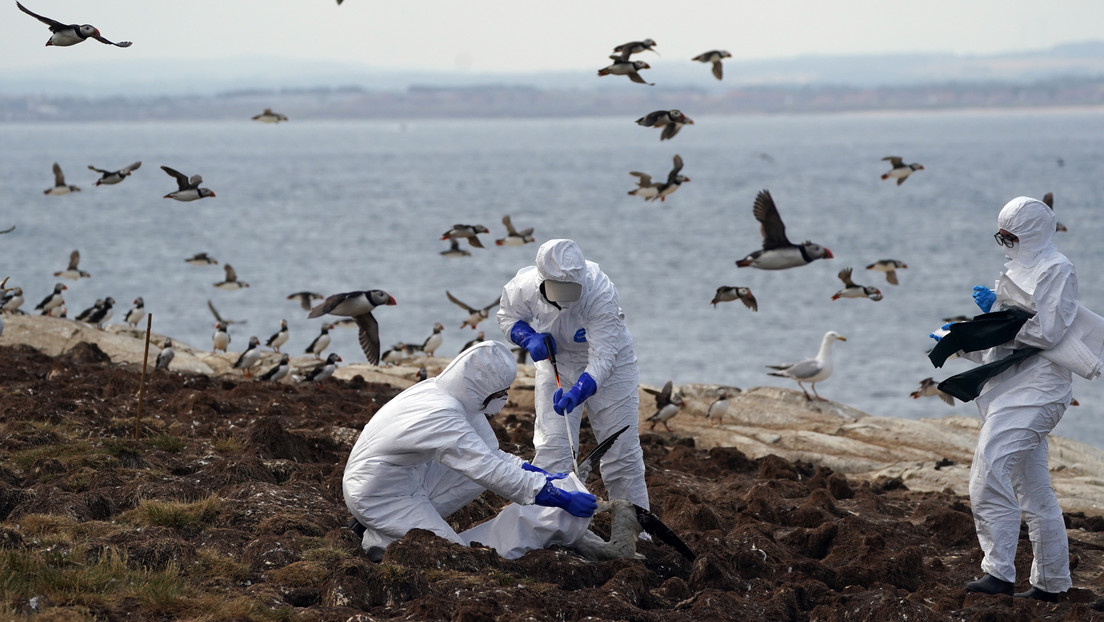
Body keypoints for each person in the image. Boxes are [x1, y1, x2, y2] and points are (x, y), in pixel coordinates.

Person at [342, 340, 597, 562]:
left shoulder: (455, 395)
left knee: (474, 475)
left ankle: (381, 536)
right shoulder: (442, 415)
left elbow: (492, 454)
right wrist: (558, 498)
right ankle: (380, 537)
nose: (504, 398)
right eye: (501, 393)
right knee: (452, 554)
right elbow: (488, 469)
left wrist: (540, 475)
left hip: (404, 475)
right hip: (377, 494)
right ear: (483, 387)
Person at [945, 196, 1078, 601]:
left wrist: (1001, 314)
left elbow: (1048, 332)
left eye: (1010, 237)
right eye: (1001, 237)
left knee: (988, 471)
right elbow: (1009, 340)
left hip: (1039, 391)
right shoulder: (1018, 268)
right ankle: (1052, 584)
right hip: (1013, 388)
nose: (1005, 244)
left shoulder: (1057, 269)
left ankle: (999, 573)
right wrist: (965, 338)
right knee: (1034, 491)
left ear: (1032, 233)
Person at [497, 239, 650, 510]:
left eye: (572, 290)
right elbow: (507, 316)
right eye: (558, 289)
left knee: (621, 453)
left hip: (613, 367)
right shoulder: (524, 286)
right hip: (556, 363)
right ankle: (545, 523)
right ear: (543, 280)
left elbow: (603, 357)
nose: (566, 297)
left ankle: (634, 524)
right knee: (552, 450)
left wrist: (579, 391)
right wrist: (527, 337)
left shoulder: (600, 291)